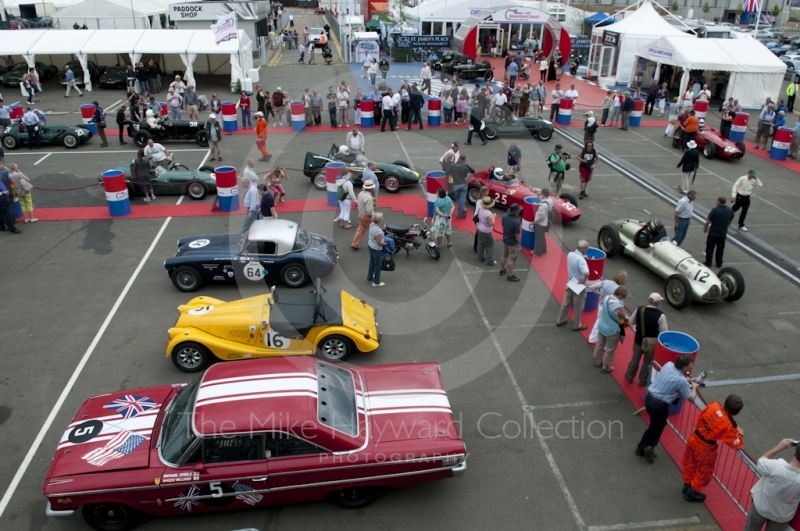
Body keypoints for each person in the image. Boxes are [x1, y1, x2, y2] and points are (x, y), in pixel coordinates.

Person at [635, 355, 699, 464]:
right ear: (684, 368)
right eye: (690, 365)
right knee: (655, 428)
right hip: (659, 405)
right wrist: (695, 387)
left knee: (657, 425)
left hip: (650, 398)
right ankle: (643, 448)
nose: (692, 366)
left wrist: (689, 380)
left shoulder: (668, 365)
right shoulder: (681, 381)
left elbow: (676, 378)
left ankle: (648, 447)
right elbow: (691, 398)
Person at [681, 395, 744, 502]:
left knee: (690, 462)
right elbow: (736, 444)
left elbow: (701, 416)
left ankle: (687, 484)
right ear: (735, 413)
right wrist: (740, 435)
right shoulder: (729, 425)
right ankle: (693, 491)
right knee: (705, 470)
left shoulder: (714, 405)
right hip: (705, 448)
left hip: (694, 437)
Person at [744, 438, 800, 531]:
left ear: (794, 453)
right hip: (782, 516)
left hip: (760, 508)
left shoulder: (776, 466)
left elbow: (761, 461)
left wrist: (779, 447)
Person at [624, 292, 668, 386]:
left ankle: (629, 376)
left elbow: (630, 322)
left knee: (635, 359)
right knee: (647, 362)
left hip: (638, 340)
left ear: (649, 300)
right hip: (651, 344)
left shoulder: (640, 309)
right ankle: (642, 380)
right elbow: (663, 332)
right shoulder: (661, 316)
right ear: (657, 303)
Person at [592, 286, 630, 373]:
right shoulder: (618, 306)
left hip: (602, 325)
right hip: (612, 330)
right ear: (620, 296)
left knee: (599, 344)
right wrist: (628, 325)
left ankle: (597, 360)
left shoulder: (607, 298)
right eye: (624, 297)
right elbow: (624, 318)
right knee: (610, 349)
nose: (624, 298)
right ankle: (605, 366)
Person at [556, 240, 590, 330]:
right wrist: (583, 281)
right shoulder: (581, 260)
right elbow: (587, 273)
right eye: (586, 248)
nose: (587, 249)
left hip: (571, 281)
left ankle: (560, 320)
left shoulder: (570, 254)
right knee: (578, 306)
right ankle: (577, 325)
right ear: (583, 249)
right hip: (578, 284)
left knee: (566, 302)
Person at [703, 196, 734, 268]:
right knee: (720, 248)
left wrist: (705, 227)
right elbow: (730, 221)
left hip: (713, 233)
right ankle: (719, 263)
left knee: (710, 248)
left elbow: (709, 221)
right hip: (723, 233)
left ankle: (708, 262)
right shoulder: (730, 210)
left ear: (719, 201)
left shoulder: (715, 210)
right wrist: (726, 226)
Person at [499, 203, 522, 282]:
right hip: (512, 242)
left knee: (504, 255)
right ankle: (510, 275)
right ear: (516, 212)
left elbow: (503, 226)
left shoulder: (504, 216)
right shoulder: (516, 221)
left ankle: (502, 269)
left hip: (505, 239)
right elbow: (517, 235)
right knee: (512, 259)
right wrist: (519, 244)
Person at [351, 180, 376, 250]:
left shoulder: (360, 194)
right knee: (375, 230)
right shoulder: (369, 198)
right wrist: (374, 215)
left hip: (360, 214)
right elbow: (369, 210)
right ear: (370, 189)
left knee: (360, 229)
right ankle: (378, 244)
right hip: (366, 216)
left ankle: (355, 243)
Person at [474, 195, 497, 265]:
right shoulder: (489, 214)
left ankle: (480, 258)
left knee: (480, 244)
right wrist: (494, 217)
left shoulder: (480, 209)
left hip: (479, 228)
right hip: (486, 231)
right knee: (489, 246)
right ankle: (490, 261)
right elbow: (491, 223)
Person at [367, 212, 388, 287]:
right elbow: (379, 243)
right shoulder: (378, 231)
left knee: (372, 261)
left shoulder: (371, 224)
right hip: (376, 249)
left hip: (370, 245)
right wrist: (386, 244)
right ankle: (376, 281)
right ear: (379, 221)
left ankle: (369, 277)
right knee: (378, 265)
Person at [532, 188, 552, 256]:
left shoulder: (544, 206)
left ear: (543, 194)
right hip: (545, 222)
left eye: (541, 193)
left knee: (539, 238)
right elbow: (543, 201)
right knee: (542, 237)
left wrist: (535, 221)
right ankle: (543, 250)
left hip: (540, 223)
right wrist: (538, 196)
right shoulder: (549, 200)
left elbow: (542, 216)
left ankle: (537, 252)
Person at [0, 169, 20, 234]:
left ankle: (1, 226)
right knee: (6, 215)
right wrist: (2, 193)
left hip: (3, 200)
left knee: (1, 215)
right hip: (1, 201)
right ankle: (12, 229)